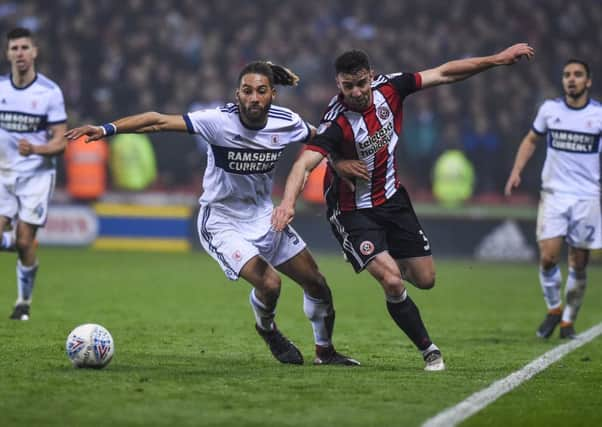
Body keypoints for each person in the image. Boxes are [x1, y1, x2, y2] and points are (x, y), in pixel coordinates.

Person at [65, 61, 360, 366]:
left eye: (261, 91)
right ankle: (267, 328)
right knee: (270, 284)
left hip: (264, 216)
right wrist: (104, 129)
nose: (254, 98)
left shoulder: (286, 122)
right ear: (238, 94)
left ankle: (325, 352)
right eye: (247, 91)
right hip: (222, 220)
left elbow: (322, 139)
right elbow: (156, 121)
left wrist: (339, 161)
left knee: (318, 283)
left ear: (273, 94)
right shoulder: (218, 121)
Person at [272, 43, 535, 371]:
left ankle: (369, 254)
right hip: (352, 210)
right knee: (393, 281)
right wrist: (286, 203)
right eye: (347, 86)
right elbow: (303, 165)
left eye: (360, 83)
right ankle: (429, 350)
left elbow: (443, 72)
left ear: (370, 76)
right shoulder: (336, 121)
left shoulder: (391, 87)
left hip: (393, 199)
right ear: (338, 84)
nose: (355, 92)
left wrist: (496, 60)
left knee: (425, 279)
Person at [504, 59, 601, 340]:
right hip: (554, 193)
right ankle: (554, 309)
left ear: (588, 81)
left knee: (579, 262)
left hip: (587, 196)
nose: (572, 79)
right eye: (567, 74)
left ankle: (568, 322)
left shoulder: (598, 115)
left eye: (578, 75)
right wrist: (517, 170)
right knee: (547, 258)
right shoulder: (550, 110)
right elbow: (531, 140)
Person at [0, 28, 68, 320]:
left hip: (37, 176)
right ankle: (12, 241)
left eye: (24, 47)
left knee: (25, 242)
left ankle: (23, 303)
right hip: (3, 175)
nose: (20, 53)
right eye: (14, 48)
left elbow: (60, 142)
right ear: (8, 54)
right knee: (12, 238)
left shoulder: (49, 93)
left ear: (35, 52)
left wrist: (37, 150)